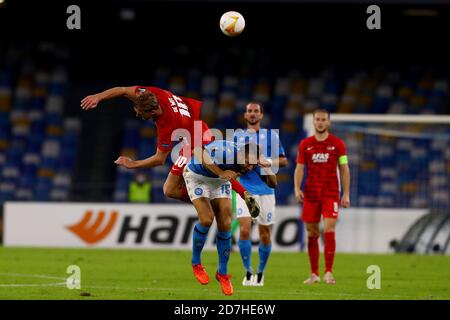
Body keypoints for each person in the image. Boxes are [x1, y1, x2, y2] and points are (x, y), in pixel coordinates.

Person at [80, 86, 259, 212]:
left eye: (139, 112)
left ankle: (221, 201)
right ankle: (239, 195)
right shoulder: (151, 94)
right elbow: (122, 90)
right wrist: (98, 97)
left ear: (152, 113)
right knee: (180, 185)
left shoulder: (167, 125)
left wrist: (133, 164)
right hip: (197, 126)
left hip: (195, 139)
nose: (137, 113)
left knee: (170, 190)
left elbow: (159, 159)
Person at [183, 140, 265, 296]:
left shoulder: (247, 164)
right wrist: (221, 173)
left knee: (226, 224)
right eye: (248, 163)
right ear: (241, 154)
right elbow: (198, 151)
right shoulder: (225, 151)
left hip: (220, 182)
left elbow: (233, 176)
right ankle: (196, 263)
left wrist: (245, 193)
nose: (249, 167)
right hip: (197, 177)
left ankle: (222, 273)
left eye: (253, 165)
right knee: (207, 219)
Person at [232, 102, 288, 286]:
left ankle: (261, 272)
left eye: (256, 111)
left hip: (266, 190)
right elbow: (230, 161)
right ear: (245, 115)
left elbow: (284, 161)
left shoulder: (271, 136)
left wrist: (266, 161)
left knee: (265, 234)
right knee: (245, 230)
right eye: (249, 111)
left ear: (261, 115)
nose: (253, 114)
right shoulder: (237, 137)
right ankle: (248, 272)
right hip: (245, 190)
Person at [294, 109, 350, 285]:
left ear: (328, 122)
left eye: (323, 120)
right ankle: (314, 274)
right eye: (317, 119)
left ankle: (328, 273)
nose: (320, 122)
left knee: (329, 229)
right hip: (311, 194)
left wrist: (346, 193)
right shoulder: (305, 144)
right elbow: (300, 167)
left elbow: (344, 168)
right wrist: (297, 188)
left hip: (331, 193)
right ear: (313, 122)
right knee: (311, 233)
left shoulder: (338, 144)